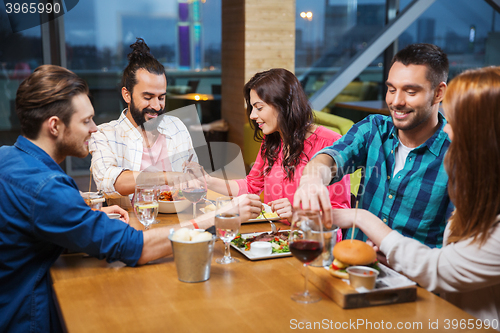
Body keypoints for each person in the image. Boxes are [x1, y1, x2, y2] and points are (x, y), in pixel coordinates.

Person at [0, 65, 260, 332]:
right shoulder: (47, 189)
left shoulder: (8, 157)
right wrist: (218, 218)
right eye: (86, 120)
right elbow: (136, 247)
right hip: (25, 317)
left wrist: (83, 213)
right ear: (54, 126)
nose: (93, 129)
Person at [330, 66, 500, 324]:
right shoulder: (481, 187)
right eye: (391, 88)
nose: (446, 131)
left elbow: (439, 269)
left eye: (453, 122)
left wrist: (361, 217)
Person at [294, 44, 454, 248]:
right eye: (391, 89)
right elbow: (332, 157)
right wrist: (312, 179)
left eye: (411, 92)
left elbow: (454, 245)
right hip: (352, 266)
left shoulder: (456, 155)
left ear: (439, 93)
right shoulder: (374, 129)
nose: (396, 101)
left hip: (411, 277)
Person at [204, 68, 351, 222]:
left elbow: (340, 210)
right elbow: (251, 185)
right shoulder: (272, 141)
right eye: (252, 108)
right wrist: (208, 181)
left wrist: (297, 214)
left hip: (308, 240)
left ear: (283, 105)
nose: (253, 115)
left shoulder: (330, 144)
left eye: (259, 108)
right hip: (273, 235)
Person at [88, 38, 197, 206]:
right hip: (132, 225)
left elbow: (193, 175)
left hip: (179, 223)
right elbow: (107, 182)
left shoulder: (176, 126)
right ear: (127, 95)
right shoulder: (105, 134)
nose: (156, 106)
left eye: (161, 97)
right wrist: (167, 176)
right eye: (148, 97)